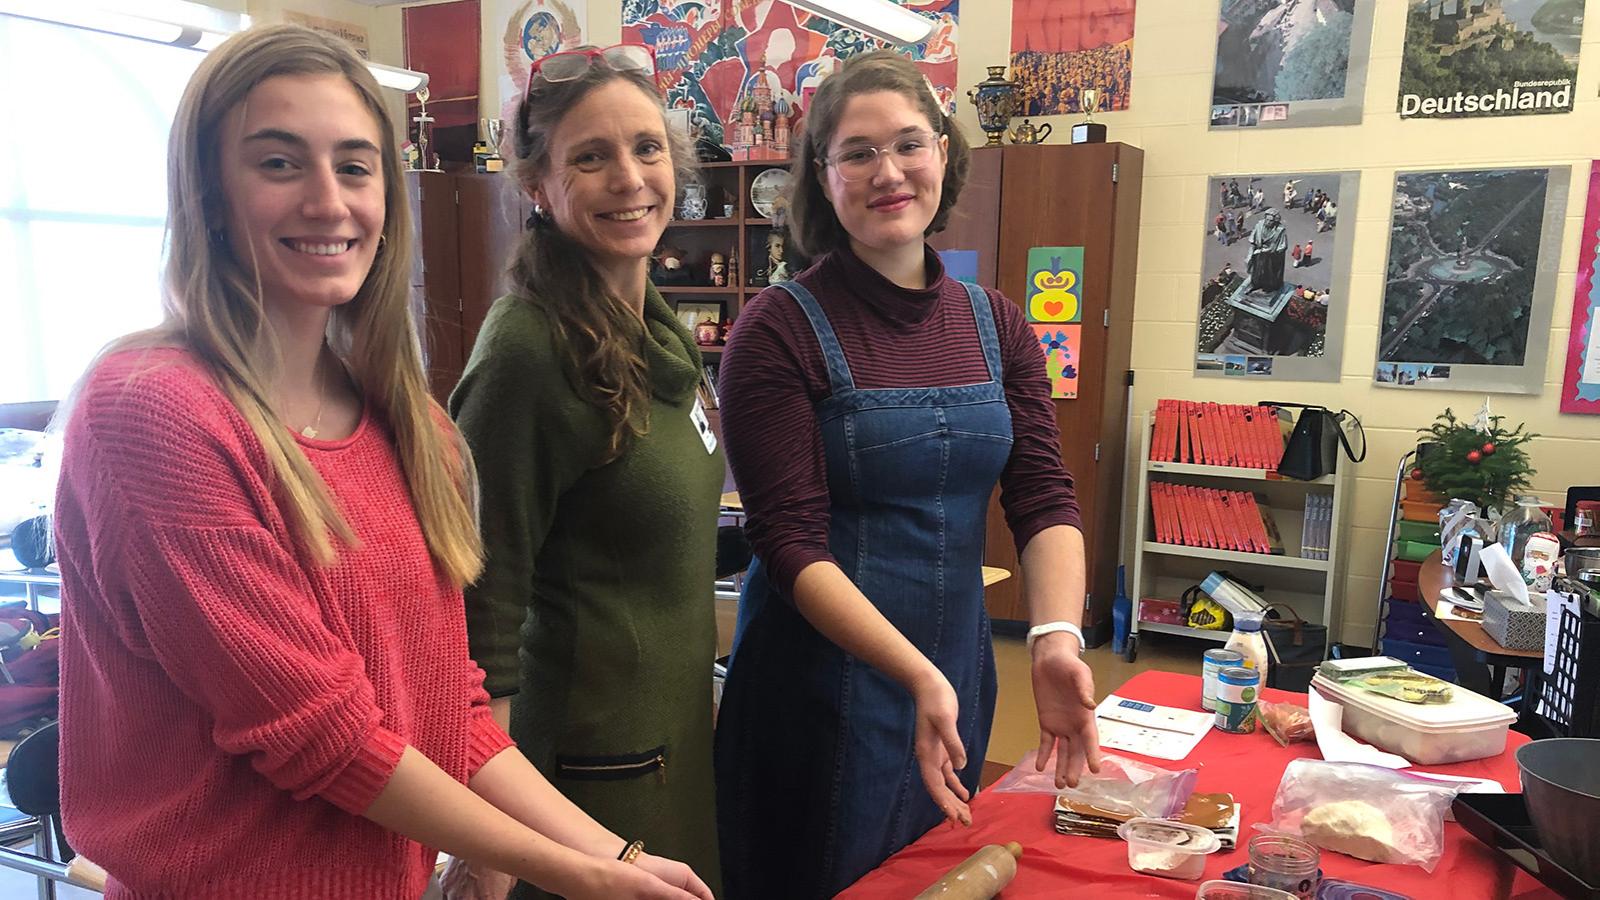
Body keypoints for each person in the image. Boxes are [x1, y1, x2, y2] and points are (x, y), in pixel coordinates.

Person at [52, 26, 709, 900]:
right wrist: (569, 872)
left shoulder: (411, 429)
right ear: (208, 190)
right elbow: (319, 734)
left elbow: (454, 714)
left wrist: (618, 858)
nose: (329, 201)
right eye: (280, 164)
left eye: (356, 167)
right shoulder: (153, 410)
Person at [714, 51, 1099, 899]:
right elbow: (785, 542)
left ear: (944, 155)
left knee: (937, 879)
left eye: (908, 144)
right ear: (823, 176)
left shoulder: (995, 322)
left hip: (956, 678)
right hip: (818, 695)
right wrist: (914, 672)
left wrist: (1054, 638)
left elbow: (1043, 496)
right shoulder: (776, 332)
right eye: (857, 152)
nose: (888, 172)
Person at [447, 43, 724, 900]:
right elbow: (480, 614)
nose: (629, 177)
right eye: (589, 156)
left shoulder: (658, 331)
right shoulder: (526, 354)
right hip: (587, 768)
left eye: (646, 148)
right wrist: (488, 848)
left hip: (671, 738)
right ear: (537, 185)